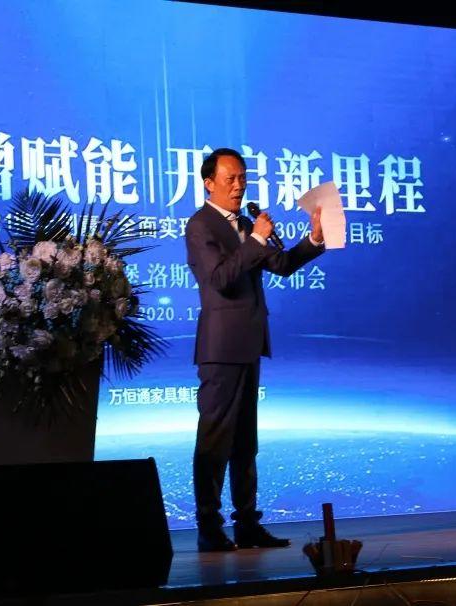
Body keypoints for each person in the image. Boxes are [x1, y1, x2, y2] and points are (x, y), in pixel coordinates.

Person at [185, 148, 326, 551]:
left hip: (249, 344)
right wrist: (257, 238)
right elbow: (221, 279)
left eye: (242, 177)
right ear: (209, 183)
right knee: (215, 440)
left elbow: (281, 264)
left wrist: (314, 239)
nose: (238, 185)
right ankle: (209, 527)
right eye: (229, 178)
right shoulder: (201, 224)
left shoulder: (245, 224)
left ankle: (247, 523)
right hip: (220, 348)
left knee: (245, 442)